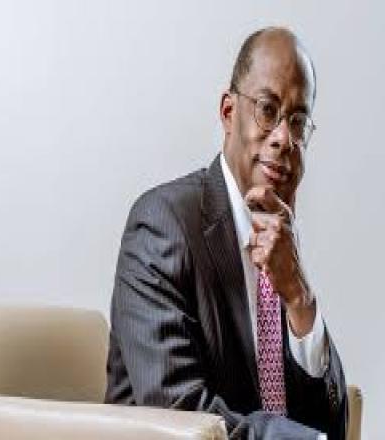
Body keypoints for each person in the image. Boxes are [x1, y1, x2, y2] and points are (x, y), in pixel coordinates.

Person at [105, 27, 347, 439]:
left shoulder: (280, 243)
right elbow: (180, 413)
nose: (284, 139)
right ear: (229, 112)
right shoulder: (161, 225)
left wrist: (301, 300)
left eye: (298, 122)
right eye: (268, 109)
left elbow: (331, 425)